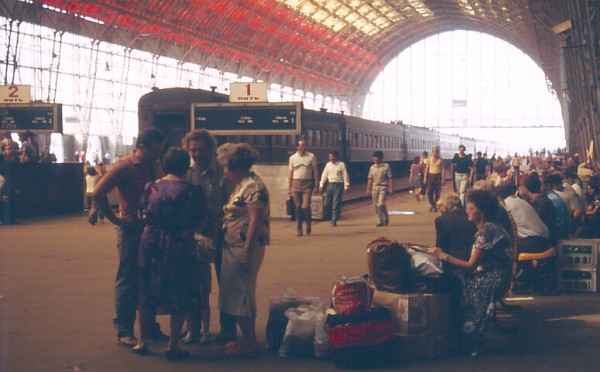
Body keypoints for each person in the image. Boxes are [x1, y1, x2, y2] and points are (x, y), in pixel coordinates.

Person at [92, 128, 168, 347]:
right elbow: (97, 193)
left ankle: (150, 327)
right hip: (131, 230)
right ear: (141, 147)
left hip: (152, 228)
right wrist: (116, 220)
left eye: (160, 151)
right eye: (155, 151)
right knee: (128, 280)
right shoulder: (123, 167)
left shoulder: (154, 165)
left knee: (152, 278)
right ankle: (124, 330)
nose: (158, 155)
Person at [133, 147, 207, 360]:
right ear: (187, 166)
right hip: (179, 243)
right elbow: (200, 219)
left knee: (146, 287)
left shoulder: (151, 187)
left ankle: (142, 341)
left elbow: (141, 213)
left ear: (164, 165)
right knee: (180, 290)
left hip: (150, 241)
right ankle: (173, 345)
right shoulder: (192, 191)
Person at [430, 189, 513, 357]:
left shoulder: (486, 231)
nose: (467, 210)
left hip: (491, 279)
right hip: (498, 275)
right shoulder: (492, 227)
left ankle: (463, 338)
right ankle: (459, 335)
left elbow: (470, 265)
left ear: (480, 212)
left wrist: (442, 255)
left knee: (451, 281)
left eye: (471, 208)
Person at [182, 129, 236, 345]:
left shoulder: (224, 174)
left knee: (227, 283)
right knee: (194, 285)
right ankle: (193, 327)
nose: (196, 154)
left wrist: (215, 225)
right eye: (192, 150)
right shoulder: (187, 174)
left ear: (211, 149)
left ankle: (227, 328)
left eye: (200, 150)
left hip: (221, 235)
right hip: (195, 237)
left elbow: (232, 205)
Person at [217, 143, 270, 356]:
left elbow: (256, 220)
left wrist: (247, 250)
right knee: (235, 292)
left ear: (236, 166)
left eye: (226, 167)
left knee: (242, 293)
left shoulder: (253, 187)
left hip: (244, 247)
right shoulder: (243, 184)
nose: (224, 171)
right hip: (233, 246)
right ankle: (247, 338)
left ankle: (249, 341)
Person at [434, 193, 477, 351]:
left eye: (439, 207)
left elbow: (440, 248)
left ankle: (450, 334)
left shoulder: (442, 221)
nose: (438, 210)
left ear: (445, 206)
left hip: (455, 267)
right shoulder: (471, 217)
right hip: (474, 264)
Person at [288, 140, 318, 236]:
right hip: (296, 184)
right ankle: (299, 228)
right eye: (301, 146)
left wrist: (316, 185)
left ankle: (308, 224)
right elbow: (291, 173)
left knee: (305, 206)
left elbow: (315, 171)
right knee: (298, 207)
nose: (304, 147)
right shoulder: (292, 158)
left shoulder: (311, 156)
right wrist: (289, 187)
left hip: (307, 184)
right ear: (297, 147)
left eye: (305, 145)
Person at [318, 150, 349, 226]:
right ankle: (336, 213)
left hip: (338, 185)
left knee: (335, 202)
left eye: (332, 156)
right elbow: (324, 175)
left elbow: (345, 175)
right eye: (329, 156)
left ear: (336, 157)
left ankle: (334, 220)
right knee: (326, 204)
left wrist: (346, 185)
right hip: (330, 184)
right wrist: (321, 185)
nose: (330, 158)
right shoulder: (328, 165)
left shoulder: (341, 165)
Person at [366, 150, 393, 226]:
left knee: (381, 204)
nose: (376, 160)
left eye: (377, 159)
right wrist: (368, 189)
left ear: (381, 158)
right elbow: (370, 178)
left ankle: (385, 216)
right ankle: (380, 221)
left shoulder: (386, 166)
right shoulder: (372, 167)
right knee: (375, 205)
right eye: (374, 159)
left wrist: (391, 188)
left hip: (383, 187)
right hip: (374, 187)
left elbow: (390, 178)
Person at [423, 146, 445, 212]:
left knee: (437, 192)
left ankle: (435, 205)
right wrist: (425, 178)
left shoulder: (441, 160)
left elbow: (443, 169)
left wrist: (443, 178)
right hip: (430, 176)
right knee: (429, 192)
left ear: (438, 152)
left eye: (436, 151)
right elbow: (426, 168)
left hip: (438, 176)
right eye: (434, 151)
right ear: (432, 152)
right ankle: (433, 203)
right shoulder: (429, 159)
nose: (435, 153)